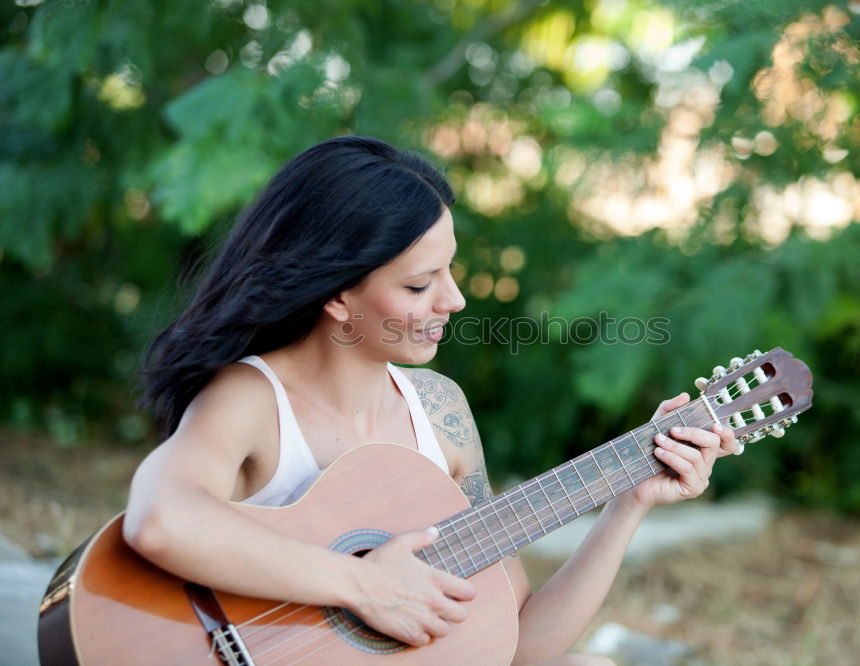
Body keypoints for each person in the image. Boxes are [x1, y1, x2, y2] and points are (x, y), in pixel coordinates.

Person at [124, 135, 739, 666]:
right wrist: (363, 585)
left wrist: (627, 503)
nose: (454, 300)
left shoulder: (439, 413)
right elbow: (161, 519)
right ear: (338, 296)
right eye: (420, 284)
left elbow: (517, 646)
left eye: (449, 271)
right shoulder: (253, 398)